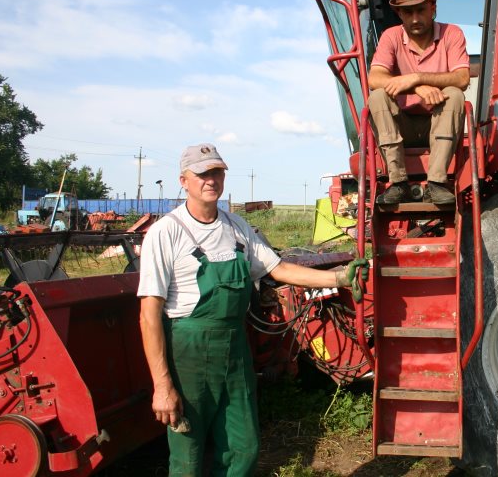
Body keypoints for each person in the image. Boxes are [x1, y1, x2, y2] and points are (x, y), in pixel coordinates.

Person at [138, 143, 367, 476]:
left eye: (216, 172)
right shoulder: (166, 233)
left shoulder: (236, 228)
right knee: (188, 454)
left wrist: (338, 277)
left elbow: (279, 270)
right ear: (184, 180)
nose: (210, 179)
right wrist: (162, 386)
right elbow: (148, 316)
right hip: (188, 351)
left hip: (234, 349)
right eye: (202, 173)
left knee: (244, 447)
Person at [367, 0, 470, 205]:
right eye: (408, 12)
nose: (415, 18)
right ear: (399, 14)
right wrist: (416, 87)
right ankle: (398, 183)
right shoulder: (390, 36)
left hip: (439, 123)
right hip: (402, 126)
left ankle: (436, 184)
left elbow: (462, 78)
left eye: (421, 10)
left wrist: (418, 76)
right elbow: (374, 78)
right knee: (377, 96)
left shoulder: (452, 33)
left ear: (433, 8)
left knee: (454, 93)